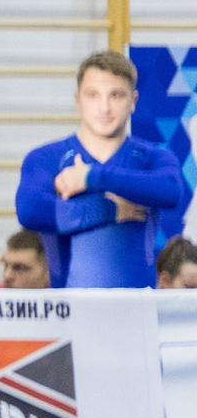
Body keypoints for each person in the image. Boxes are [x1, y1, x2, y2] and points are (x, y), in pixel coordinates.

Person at [16, 51, 190, 288]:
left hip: (136, 313)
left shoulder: (154, 156)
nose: (105, 107)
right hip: (71, 313)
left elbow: (170, 191)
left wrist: (91, 176)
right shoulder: (48, 157)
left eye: (116, 95)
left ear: (133, 101)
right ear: (78, 100)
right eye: (93, 95)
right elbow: (30, 210)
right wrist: (108, 210)